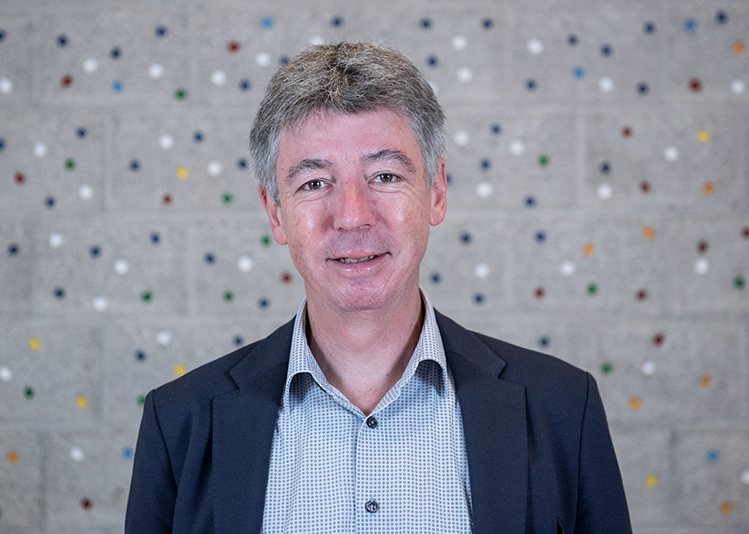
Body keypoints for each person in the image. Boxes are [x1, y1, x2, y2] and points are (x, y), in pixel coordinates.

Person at [125, 42, 632, 533]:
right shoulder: (179, 423)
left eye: (385, 176)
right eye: (314, 183)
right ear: (275, 213)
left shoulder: (564, 408)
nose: (352, 216)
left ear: (436, 191)